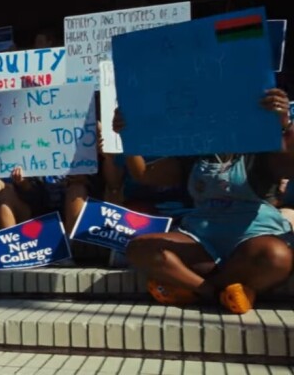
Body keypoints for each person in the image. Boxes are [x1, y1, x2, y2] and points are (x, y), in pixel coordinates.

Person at [119, 88, 294, 314]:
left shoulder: (262, 153)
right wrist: (128, 134)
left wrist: (283, 123)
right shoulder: (195, 156)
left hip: (254, 241)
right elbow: (143, 174)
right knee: (139, 248)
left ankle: (188, 288)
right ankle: (213, 292)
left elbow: (289, 156)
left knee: (276, 257)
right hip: (202, 240)